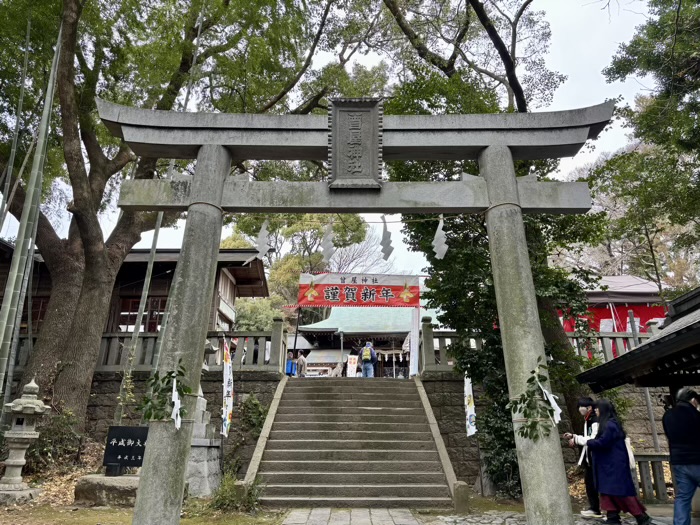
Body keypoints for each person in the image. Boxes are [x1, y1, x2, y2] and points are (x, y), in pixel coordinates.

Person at [582, 399, 652, 525]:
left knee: (620, 492)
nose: (596, 411)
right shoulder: (608, 424)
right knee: (607, 492)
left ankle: (641, 516)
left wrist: (586, 442)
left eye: (597, 409)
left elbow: (603, 443)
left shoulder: (610, 425)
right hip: (607, 465)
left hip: (614, 466)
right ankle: (612, 517)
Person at [662, 387, 700, 525]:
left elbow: (669, 436)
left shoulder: (667, 416)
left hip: (678, 461)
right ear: (692, 400)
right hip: (697, 460)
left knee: (683, 497)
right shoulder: (696, 415)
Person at [564, 397, 601, 519]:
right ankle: (595, 508)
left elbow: (593, 439)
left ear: (589, 408)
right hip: (589, 458)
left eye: (582, 406)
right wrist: (574, 436)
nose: (579, 409)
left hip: (595, 457)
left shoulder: (594, 420)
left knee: (594, 483)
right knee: (590, 483)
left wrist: (576, 439)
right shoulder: (588, 420)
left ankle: (601, 510)